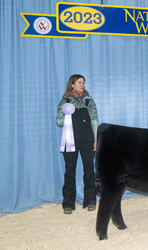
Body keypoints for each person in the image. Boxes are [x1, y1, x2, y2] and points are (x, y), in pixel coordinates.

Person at [56, 74, 99, 215]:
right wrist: (66, 112)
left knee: (89, 170)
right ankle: (68, 203)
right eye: (79, 82)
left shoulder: (89, 101)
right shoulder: (65, 101)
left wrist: (95, 139)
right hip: (70, 140)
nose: (82, 85)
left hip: (87, 139)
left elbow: (94, 120)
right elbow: (59, 122)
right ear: (72, 84)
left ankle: (91, 200)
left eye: (83, 82)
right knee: (70, 171)